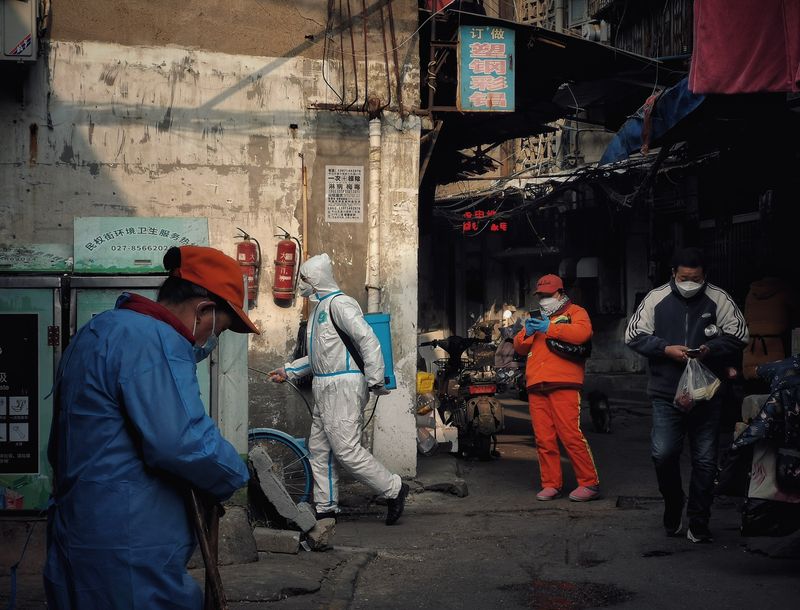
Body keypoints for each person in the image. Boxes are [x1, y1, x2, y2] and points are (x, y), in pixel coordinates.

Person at [44, 245, 257, 609]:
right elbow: (182, 441)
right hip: (128, 538)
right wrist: (235, 472)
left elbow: (57, 445)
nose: (208, 339)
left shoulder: (98, 331)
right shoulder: (157, 340)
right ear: (203, 309)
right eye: (216, 328)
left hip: (76, 529)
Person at [269, 253, 409, 525]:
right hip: (325, 385)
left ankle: (394, 488)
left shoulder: (341, 305)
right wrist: (289, 370)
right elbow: (317, 356)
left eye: (305, 279)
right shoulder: (318, 310)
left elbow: (366, 338)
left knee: (346, 450)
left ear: (317, 280)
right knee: (320, 450)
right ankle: (326, 507)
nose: (302, 285)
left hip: (343, 385)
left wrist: (375, 377)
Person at [625, 247, 748, 543]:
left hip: (707, 393)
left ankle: (699, 519)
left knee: (705, 460)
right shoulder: (655, 299)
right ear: (673, 275)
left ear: (705, 275)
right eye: (684, 277)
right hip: (666, 392)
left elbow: (740, 335)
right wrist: (665, 349)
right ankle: (673, 502)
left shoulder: (720, 298)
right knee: (663, 454)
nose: (690, 282)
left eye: (695, 278)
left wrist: (710, 349)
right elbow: (633, 335)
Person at [513, 274, 600, 502]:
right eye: (540, 295)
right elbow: (519, 347)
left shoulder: (576, 313)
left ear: (560, 293)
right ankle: (551, 484)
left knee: (570, 435)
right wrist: (528, 333)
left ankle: (589, 483)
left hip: (565, 383)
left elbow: (582, 334)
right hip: (536, 385)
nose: (543, 299)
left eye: (548, 295)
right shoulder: (535, 317)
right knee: (544, 439)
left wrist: (549, 327)